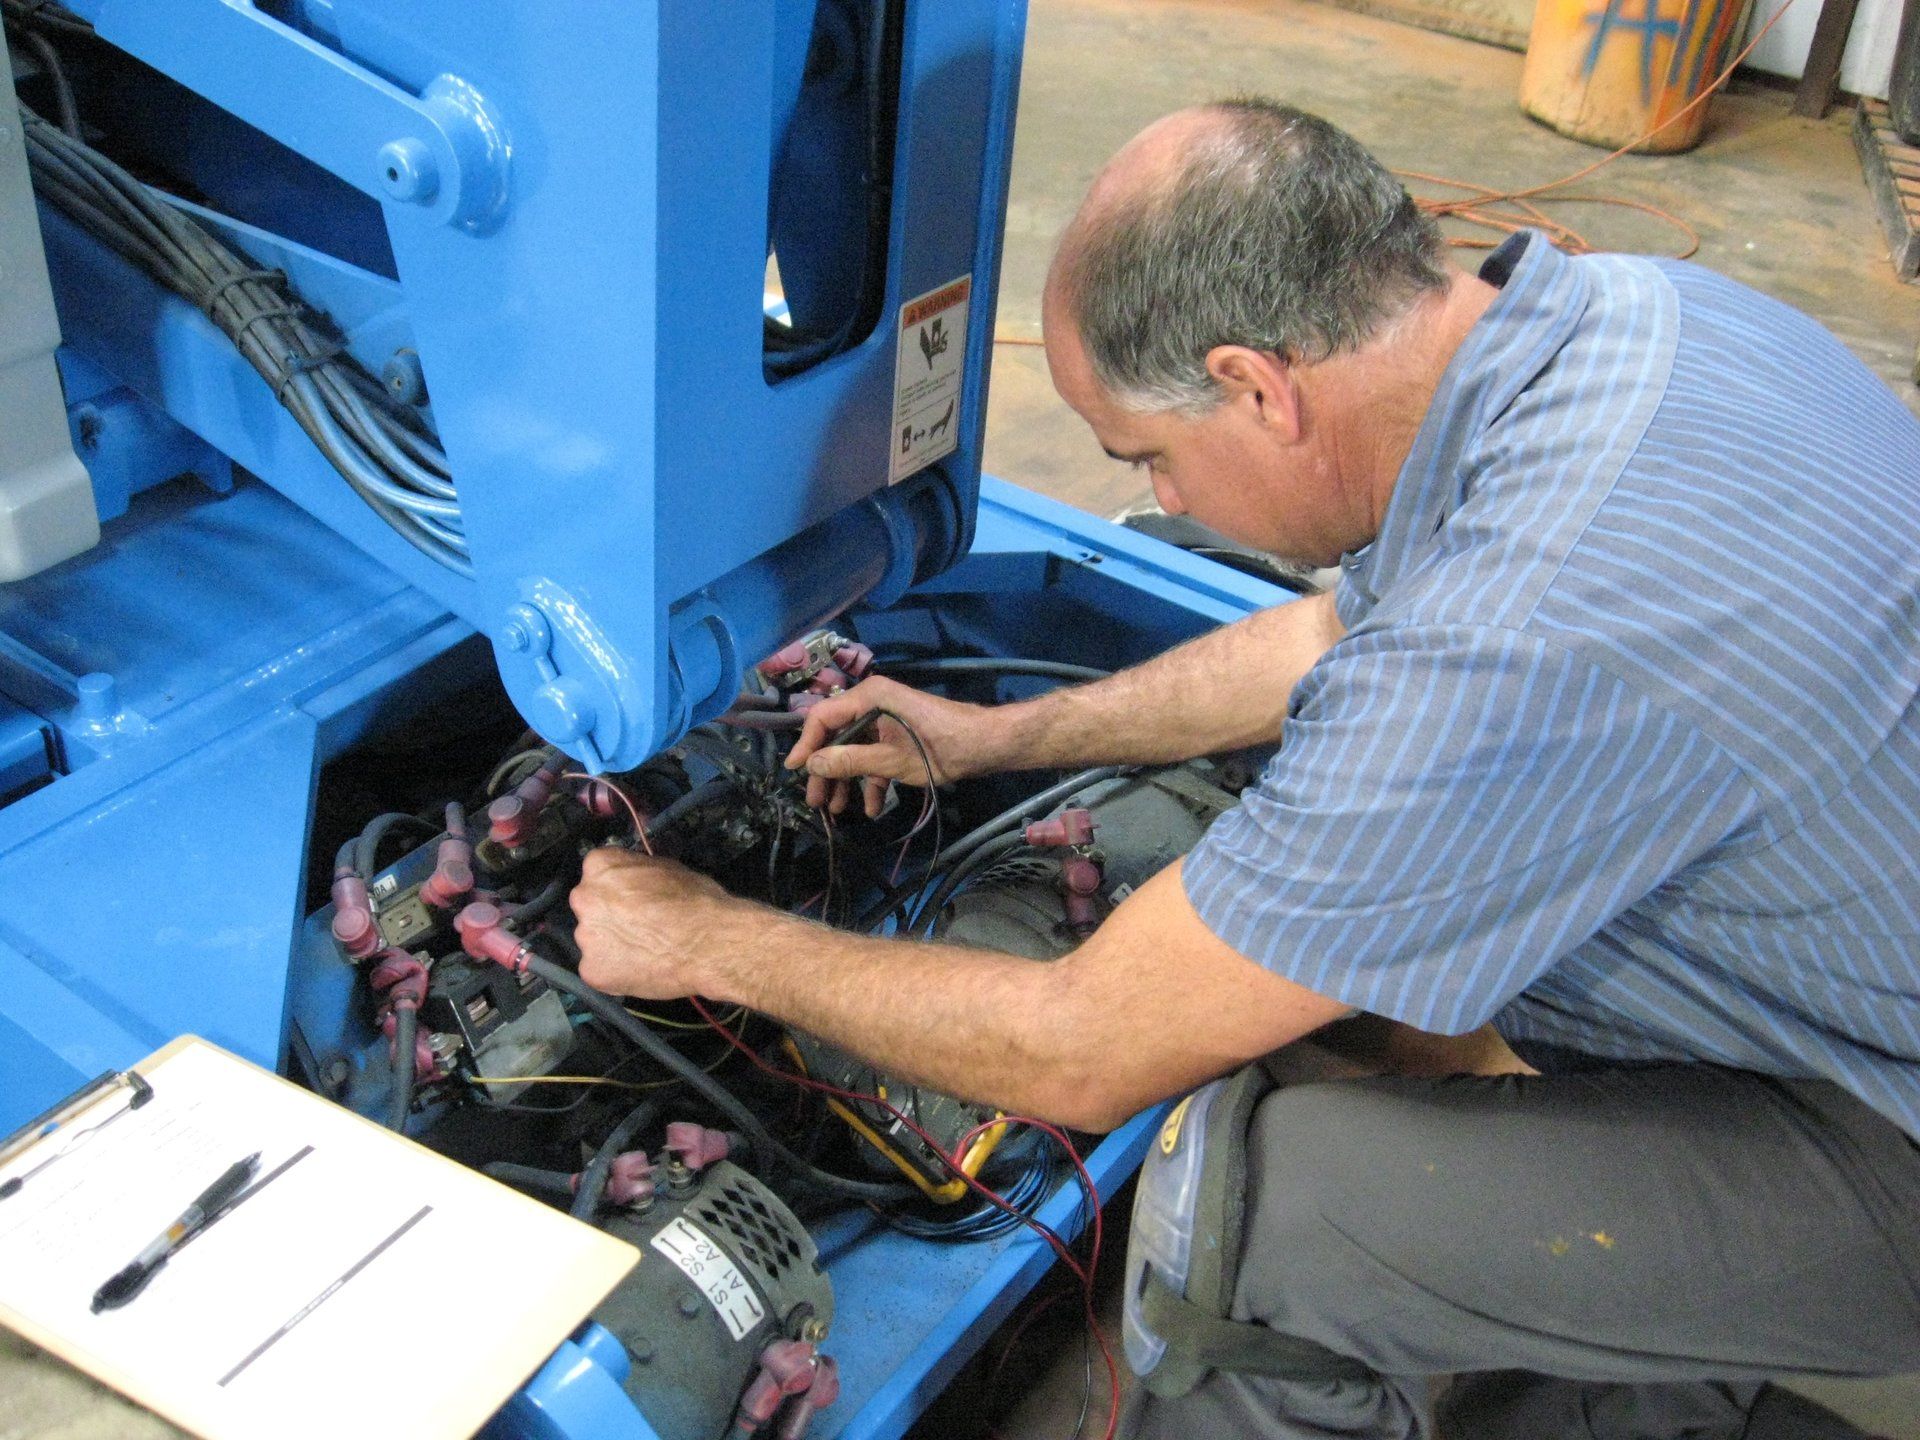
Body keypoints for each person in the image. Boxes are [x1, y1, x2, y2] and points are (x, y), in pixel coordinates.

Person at [571, 99, 1920, 1439]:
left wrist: (711, 941)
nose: (1156, 500)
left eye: (1150, 458)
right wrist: (1000, 737)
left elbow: (1080, 1049)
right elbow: (1331, 632)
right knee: (1414, 1033)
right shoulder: (1628, 320)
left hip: (1880, 1128)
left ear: (1256, 387)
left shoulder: (1516, 630)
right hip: (1840, 974)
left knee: (1256, 1211)